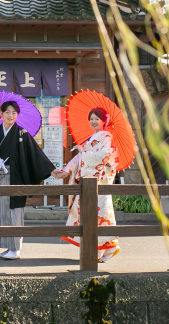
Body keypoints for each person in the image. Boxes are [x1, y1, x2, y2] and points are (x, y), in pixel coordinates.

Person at [0, 100, 55, 260]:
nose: (10, 115)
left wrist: (51, 170)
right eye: (7, 112)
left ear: (17, 114)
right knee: (3, 213)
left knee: (15, 214)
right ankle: (8, 247)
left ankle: (15, 249)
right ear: (1, 114)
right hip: (0, 180)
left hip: (16, 179)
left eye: (14, 112)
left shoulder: (22, 134)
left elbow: (35, 155)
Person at [51, 107, 120, 262]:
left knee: (100, 216)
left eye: (97, 119)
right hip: (88, 183)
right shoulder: (92, 138)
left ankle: (105, 248)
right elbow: (79, 158)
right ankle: (99, 250)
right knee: (90, 216)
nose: (94, 121)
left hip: (98, 183)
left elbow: (104, 156)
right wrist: (66, 170)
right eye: (91, 119)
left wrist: (84, 151)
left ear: (104, 121)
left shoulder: (107, 138)